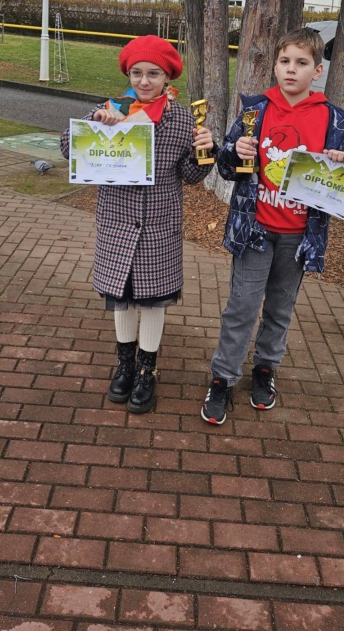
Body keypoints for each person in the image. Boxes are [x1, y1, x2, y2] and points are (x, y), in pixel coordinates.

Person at [201, 27, 344, 425]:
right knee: (241, 307)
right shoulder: (255, 112)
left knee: (279, 308)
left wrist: (341, 162)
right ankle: (223, 378)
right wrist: (234, 151)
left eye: (301, 63)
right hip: (254, 229)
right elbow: (226, 167)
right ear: (274, 66)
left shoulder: (334, 121)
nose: (291, 69)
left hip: (298, 236)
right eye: (284, 61)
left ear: (317, 71)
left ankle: (265, 369)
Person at [60, 36, 215, 414]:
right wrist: (96, 124)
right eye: (137, 73)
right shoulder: (111, 109)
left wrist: (205, 152)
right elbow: (67, 147)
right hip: (116, 222)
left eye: (153, 74)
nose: (144, 81)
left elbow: (190, 176)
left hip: (159, 225)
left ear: (167, 77)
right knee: (123, 296)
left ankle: (147, 370)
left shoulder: (182, 120)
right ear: (128, 75)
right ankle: (125, 365)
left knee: (153, 299)